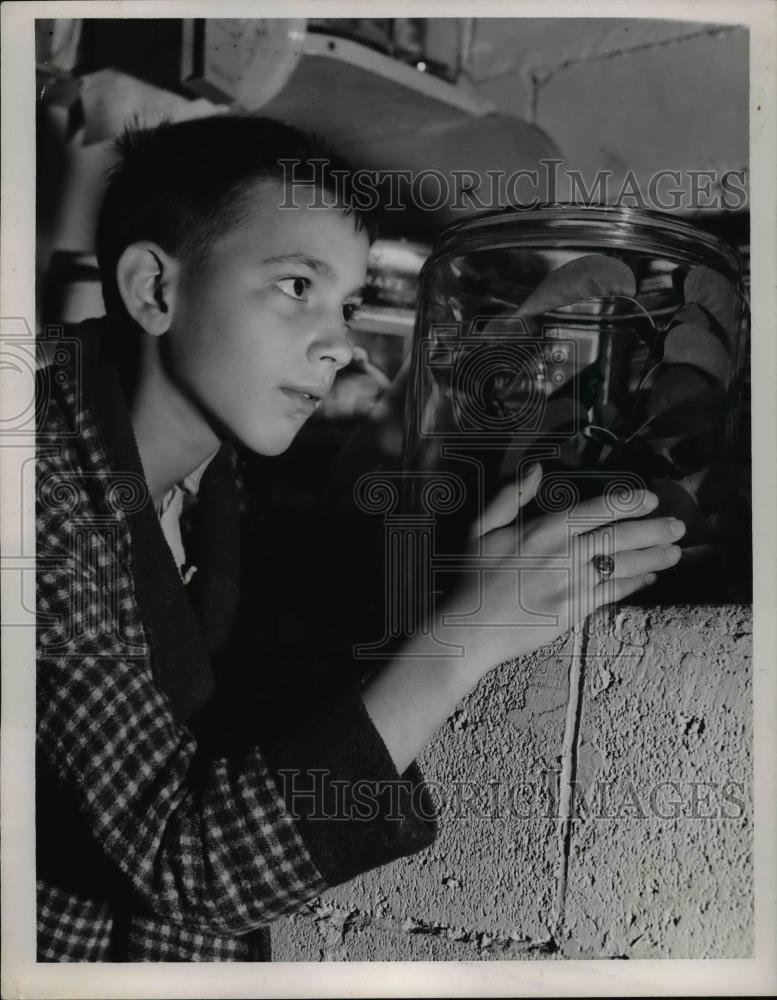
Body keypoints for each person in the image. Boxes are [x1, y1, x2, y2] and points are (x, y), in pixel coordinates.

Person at [35, 114, 686, 962]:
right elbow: (185, 862)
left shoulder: (211, 480)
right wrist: (462, 639)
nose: (340, 344)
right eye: (296, 286)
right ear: (155, 289)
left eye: (345, 303)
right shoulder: (30, 485)